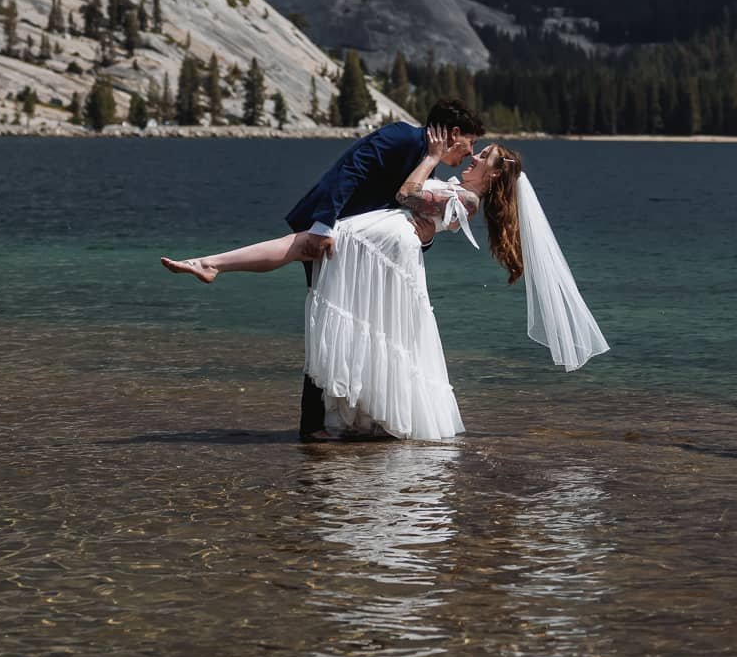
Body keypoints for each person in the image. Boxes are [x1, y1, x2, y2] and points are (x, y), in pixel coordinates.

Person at [163, 133, 524, 440]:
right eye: (478, 151)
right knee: (346, 300)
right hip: (380, 242)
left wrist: (431, 157)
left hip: (378, 246)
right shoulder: (458, 191)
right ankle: (212, 264)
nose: (474, 157)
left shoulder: (467, 200)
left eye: (483, 157)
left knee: (305, 250)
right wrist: (427, 228)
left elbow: (407, 194)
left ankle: (212, 264)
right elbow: (419, 213)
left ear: (494, 175)